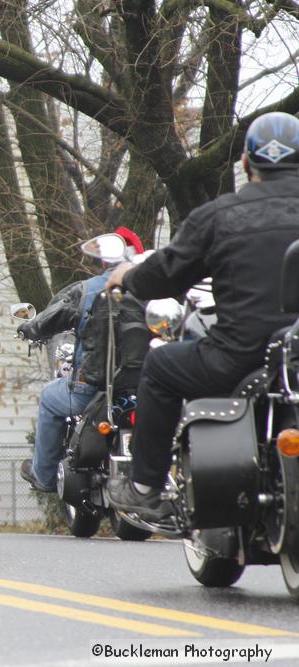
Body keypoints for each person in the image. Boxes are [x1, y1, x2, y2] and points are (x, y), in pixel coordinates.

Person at [104, 112, 299, 519]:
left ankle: (145, 487)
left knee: (158, 365)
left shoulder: (220, 215)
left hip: (240, 358)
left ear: (246, 163)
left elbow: (165, 274)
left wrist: (127, 274)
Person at [17, 227, 145, 493]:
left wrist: (29, 328)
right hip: (144, 389)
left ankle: (45, 476)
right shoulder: (154, 290)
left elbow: (49, 319)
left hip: (92, 389)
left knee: (49, 399)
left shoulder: (87, 290)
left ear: (104, 260)